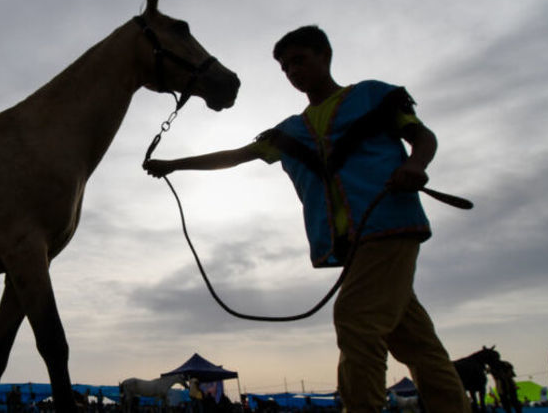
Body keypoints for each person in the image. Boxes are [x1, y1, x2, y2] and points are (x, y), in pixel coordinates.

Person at [144, 25, 468, 412]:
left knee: (355, 319)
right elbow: (236, 156)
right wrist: (173, 164)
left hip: (388, 225)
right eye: (285, 67)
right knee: (413, 340)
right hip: (352, 245)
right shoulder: (290, 131)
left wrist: (416, 165)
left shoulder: (373, 96)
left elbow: (422, 136)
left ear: (324, 56)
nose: (293, 71)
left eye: (299, 60)